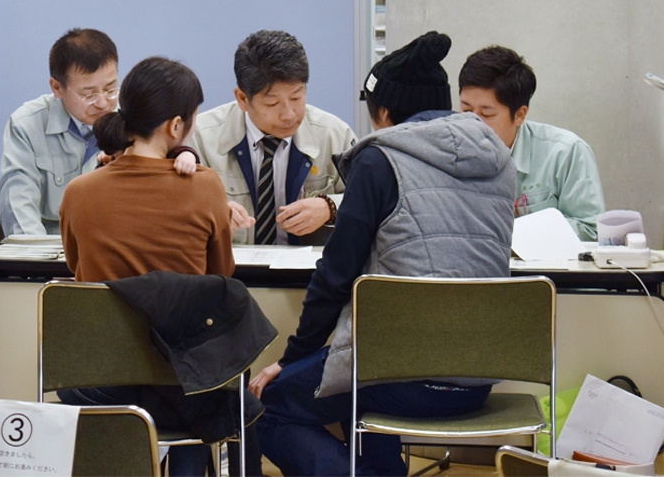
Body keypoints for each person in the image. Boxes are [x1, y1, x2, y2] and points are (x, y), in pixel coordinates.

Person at [248, 31, 516, 476]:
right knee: (365, 373)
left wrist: (292, 359)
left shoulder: (380, 161)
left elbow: (335, 277)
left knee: (267, 407)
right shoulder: (498, 160)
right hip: (480, 376)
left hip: (400, 375)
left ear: (384, 113)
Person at [58, 56, 235, 476]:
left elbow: (75, 265)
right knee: (198, 386)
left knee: (183, 384)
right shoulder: (205, 186)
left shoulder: (79, 192)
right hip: (183, 380)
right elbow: (220, 275)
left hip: (101, 381)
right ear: (176, 126)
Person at [0, 27, 195, 236]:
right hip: (51, 256)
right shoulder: (27, 125)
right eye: (88, 94)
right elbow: (18, 209)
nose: (102, 103)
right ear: (57, 87)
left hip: (120, 251)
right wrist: (43, 265)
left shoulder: (138, 118)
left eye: (110, 89)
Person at [191, 30, 357, 245]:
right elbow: (174, 209)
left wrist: (330, 207)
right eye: (272, 103)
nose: (289, 114)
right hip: (229, 272)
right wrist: (211, 214)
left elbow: (373, 200)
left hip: (312, 274)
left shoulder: (335, 136)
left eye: (297, 97)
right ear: (242, 98)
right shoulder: (201, 138)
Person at [458, 45, 605, 241]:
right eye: (466, 110)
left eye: (487, 114)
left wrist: (513, 234)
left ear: (519, 115)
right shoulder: (448, 151)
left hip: (548, 269)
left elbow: (591, 230)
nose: (472, 122)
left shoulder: (565, 152)